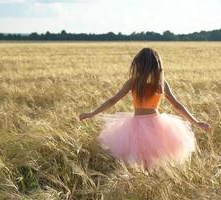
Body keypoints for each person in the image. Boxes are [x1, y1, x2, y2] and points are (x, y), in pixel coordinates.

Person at [79, 47, 211, 169]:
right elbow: (176, 105)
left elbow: (112, 100)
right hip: (153, 125)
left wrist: (92, 113)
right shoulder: (156, 83)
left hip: (141, 126)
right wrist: (196, 122)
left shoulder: (138, 82)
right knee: (150, 163)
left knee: (143, 163)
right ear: (157, 66)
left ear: (138, 65)